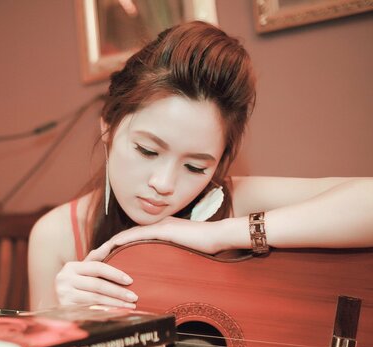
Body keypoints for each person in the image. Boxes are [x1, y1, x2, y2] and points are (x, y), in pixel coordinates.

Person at [27, 21, 373, 311]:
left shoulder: (233, 201)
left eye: (195, 167)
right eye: (147, 150)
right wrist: (61, 316)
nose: (164, 183)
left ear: (220, 162)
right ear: (108, 127)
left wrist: (217, 234)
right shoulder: (56, 236)